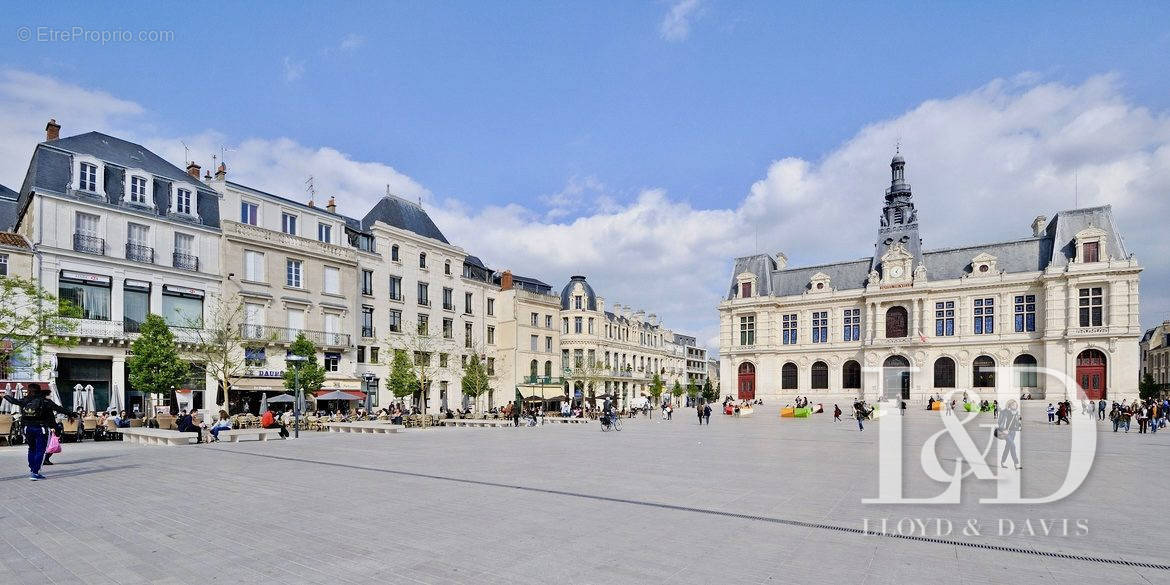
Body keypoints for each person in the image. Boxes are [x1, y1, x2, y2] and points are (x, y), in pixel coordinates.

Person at [2, 383, 75, 480]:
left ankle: (32, 469)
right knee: (40, 450)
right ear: (39, 390)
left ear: (29, 390)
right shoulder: (45, 401)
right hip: (41, 428)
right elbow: (59, 409)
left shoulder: (25, 400)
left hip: (27, 428)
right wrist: (72, 413)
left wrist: (5, 396)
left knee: (31, 449)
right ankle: (35, 473)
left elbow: (13, 401)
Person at [998, 400, 1022, 470]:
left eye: (1016, 405)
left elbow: (1018, 422)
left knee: (1008, 446)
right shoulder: (1004, 412)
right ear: (1009, 405)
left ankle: (1003, 461)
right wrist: (1003, 430)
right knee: (1013, 445)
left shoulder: (1017, 413)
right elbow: (1000, 422)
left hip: (1013, 432)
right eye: (1013, 405)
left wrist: (1019, 423)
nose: (1015, 406)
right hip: (1006, 432)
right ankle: (1016, 464)